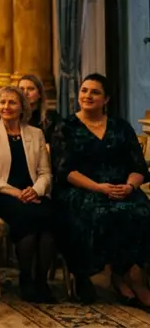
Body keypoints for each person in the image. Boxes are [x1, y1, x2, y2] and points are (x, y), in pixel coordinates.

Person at [53, 73, 150, 305]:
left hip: (121, 187)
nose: (87, 95)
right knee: (100, 213)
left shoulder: (121, 126)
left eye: (95, 92)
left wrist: (128, 186)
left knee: (141, 211)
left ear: (106, 99)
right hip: (81, 189)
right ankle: (90, 276)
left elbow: (138, 166)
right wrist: (99, 187)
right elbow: (65, 171)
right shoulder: (65, 127)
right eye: (84, 90)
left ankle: (127, 274)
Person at [0, 86, 55, 303]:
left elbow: (45, 172)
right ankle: (26, 280)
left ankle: (42, 282)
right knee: (26, 217)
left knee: (50, 218)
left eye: (12, 103)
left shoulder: (35, 133)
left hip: (32, 192)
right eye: (2, 102)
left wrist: (36, 190)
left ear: (22, 107)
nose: (6, 107)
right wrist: (16, 193)